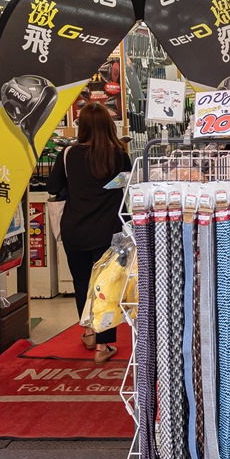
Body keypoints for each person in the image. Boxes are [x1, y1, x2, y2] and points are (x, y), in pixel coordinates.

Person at [45, 100, 132, 357]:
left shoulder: (68, 155)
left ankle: (89, 333)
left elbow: (53, 187)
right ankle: (103, 346)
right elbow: (130, 186)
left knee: (82, 281)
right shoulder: (119, 155)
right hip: (109, 231)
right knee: (107, 286)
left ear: (81, 126)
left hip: (75, 230)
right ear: (108, 126)